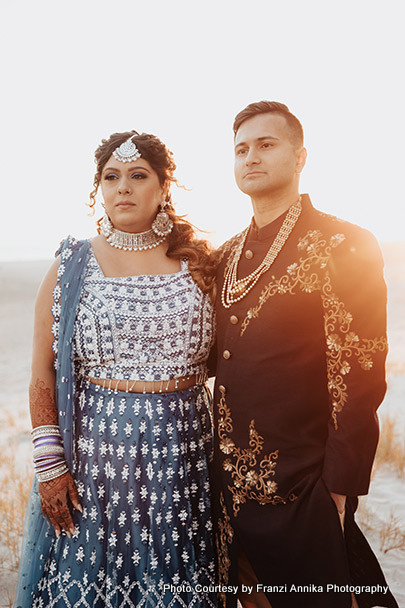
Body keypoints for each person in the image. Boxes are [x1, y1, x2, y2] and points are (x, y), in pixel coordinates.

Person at [14, 131, 218, 607]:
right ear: (99, 190)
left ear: (164, 187)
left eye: (138, 175)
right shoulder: (71, 265)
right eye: (111, 177)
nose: (122, 187)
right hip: (99, 461)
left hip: (185, 455)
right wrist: (50, 468)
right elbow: (42, 370)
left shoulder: (200, 263)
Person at [212, 101, 398, 608]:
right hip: (226, 496)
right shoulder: (226, 256)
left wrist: (337, 491)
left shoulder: (344, 243)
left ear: (300, 157)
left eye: (266, 144)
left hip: (303, 489)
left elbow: (360, 373)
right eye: (241, 149)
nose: (251, 156)